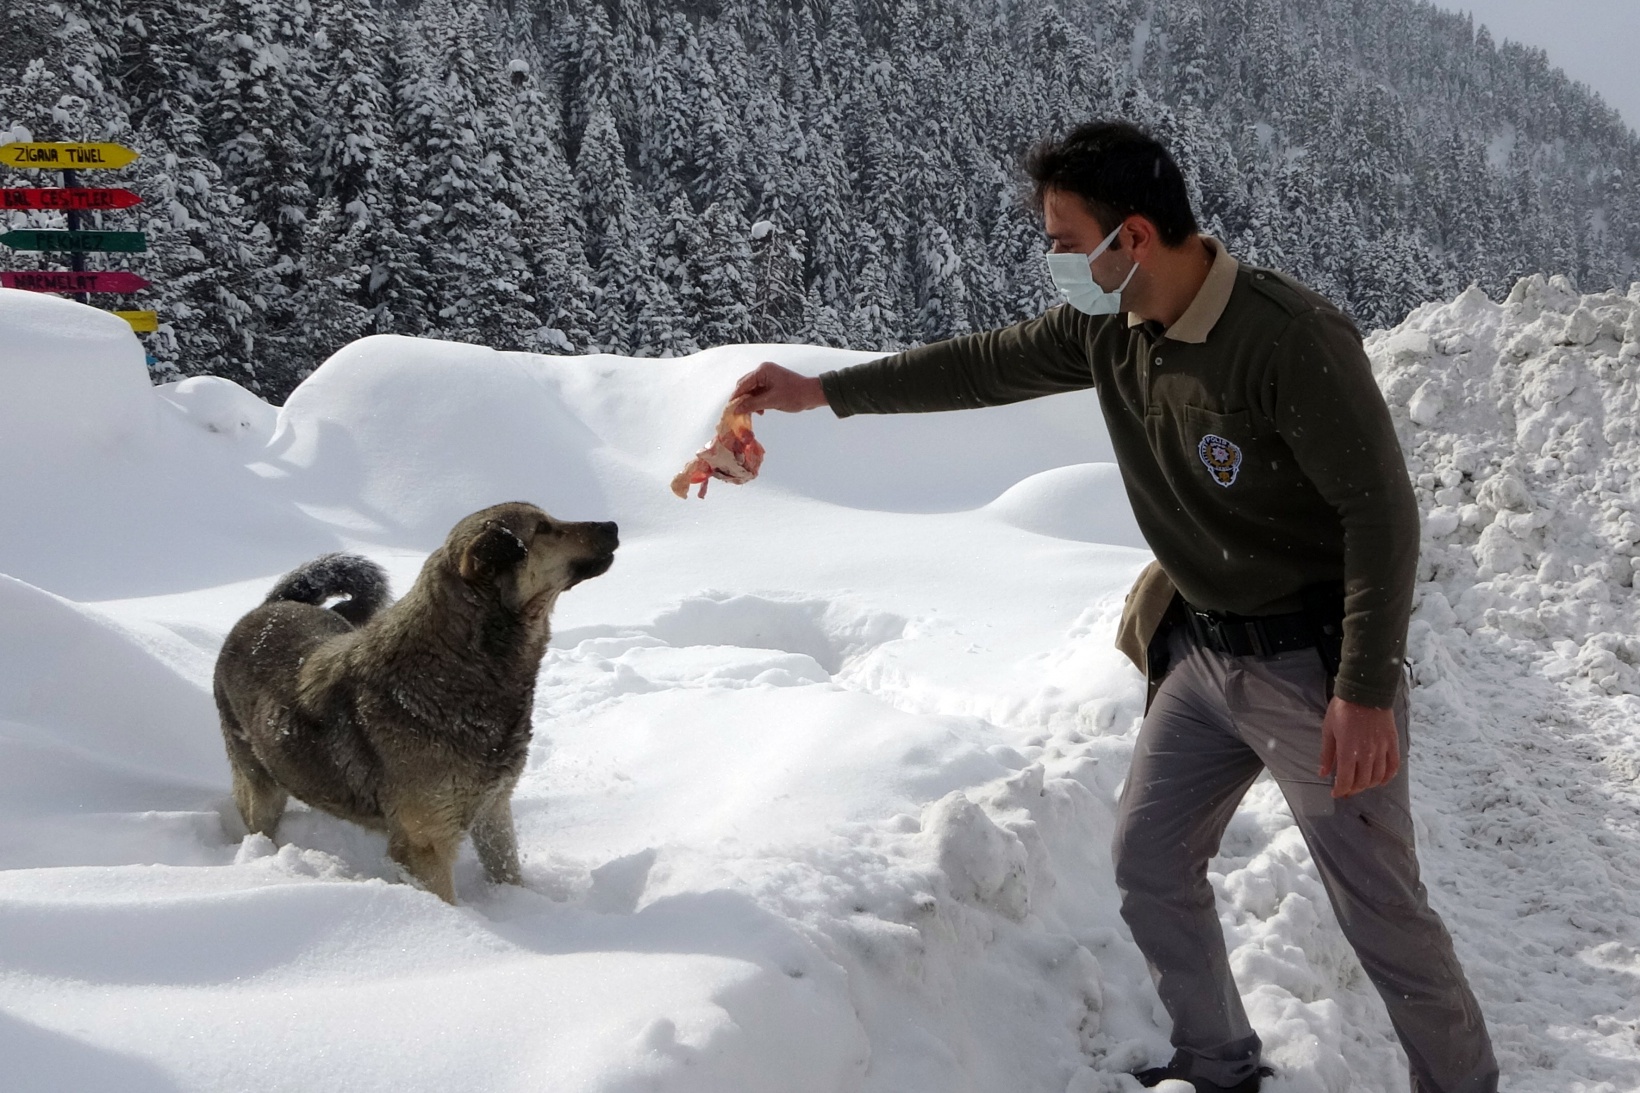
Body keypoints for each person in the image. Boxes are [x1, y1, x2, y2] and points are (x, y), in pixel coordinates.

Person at [729, 120, 1498, 1093]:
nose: (1053, 262)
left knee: (1378, 907)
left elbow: (1379, 515)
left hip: (1310, 667)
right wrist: (819, 392)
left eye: (1063, 241)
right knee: (1150, 861)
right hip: (1201, 653)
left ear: (1131, 237)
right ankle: (1217, 1063)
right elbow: (978, 365)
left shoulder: (1286, 337)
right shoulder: (1108, 323)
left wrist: (1364, 687)